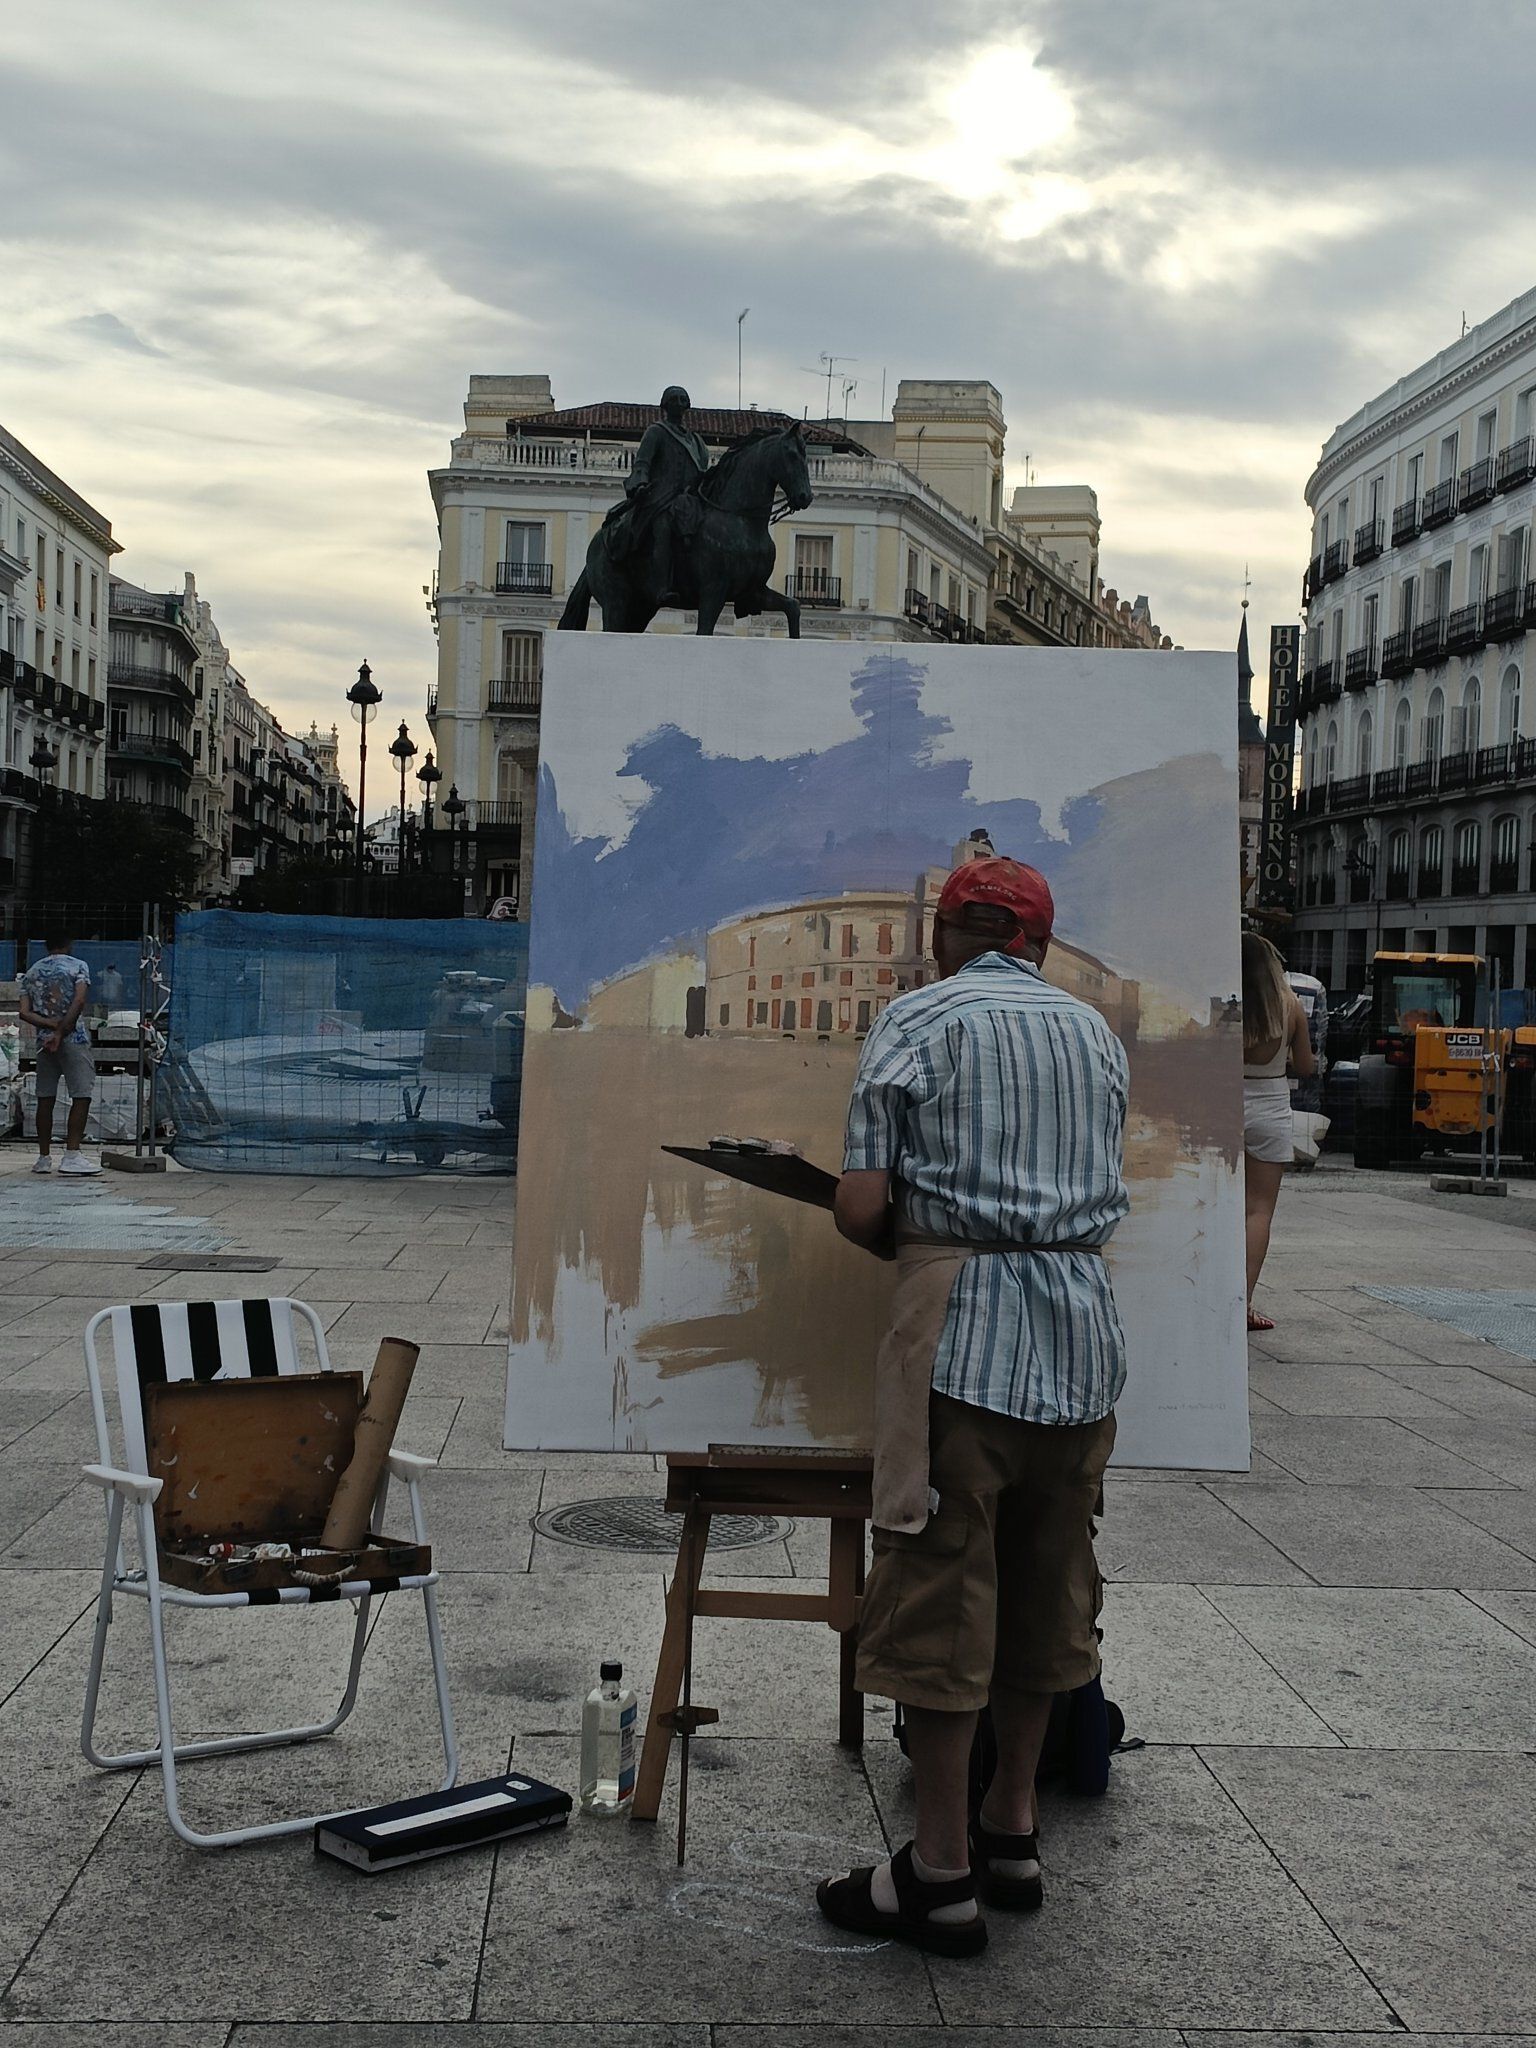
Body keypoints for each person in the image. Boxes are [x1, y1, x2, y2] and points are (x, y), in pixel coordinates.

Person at [817, 856, 1130, 1959]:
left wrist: (889, 1214)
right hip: (1082, 1335)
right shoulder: (1093, 1033)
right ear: (1040, 944)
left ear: (946, 935)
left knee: (943, 1585)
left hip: (963, 1338)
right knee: (1051, 1582)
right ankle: (1013, 1830)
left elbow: (861, 1204)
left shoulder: (915, 1018)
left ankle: (939, 1873)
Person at [1242, 930, 1314, 1331]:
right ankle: (1243, 1302)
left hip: (1223, 1103)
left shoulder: (1226, 1004)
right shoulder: (1291, 1007)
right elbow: (1305, 1068)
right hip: (1269, 1105)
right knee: (1258, 1210)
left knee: (1216, 1206)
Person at [602, 385, 710, 587]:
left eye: (682, 399)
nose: (679, 403)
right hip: (662, 496)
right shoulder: (656, 432)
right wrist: (640, 484)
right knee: (662, 527)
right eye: (674, 399)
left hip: (690, 498)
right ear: (665, 405)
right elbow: (642, 463)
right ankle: (660, 585)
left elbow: (703, 469)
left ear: (688, 404)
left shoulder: (696, 441)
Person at [18, 933, 101, 1176]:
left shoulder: (31, 973)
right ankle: (72, 1154)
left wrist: (49, 1025)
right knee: (81, 1094)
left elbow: (24, 1012)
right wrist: (62, 1030)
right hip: (73, 1038)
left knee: (45, 1096)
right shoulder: (77, 966)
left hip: (44, 1041)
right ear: (69, 944)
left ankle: (44, 1157)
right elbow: (80, 1000)